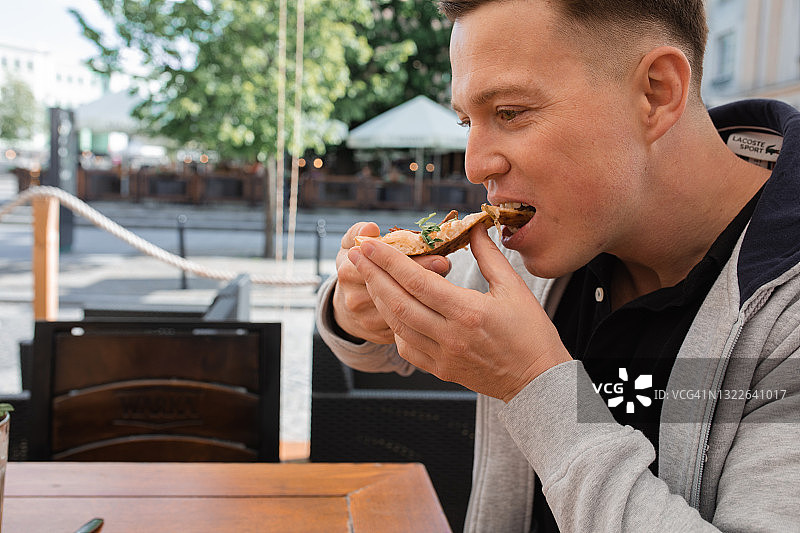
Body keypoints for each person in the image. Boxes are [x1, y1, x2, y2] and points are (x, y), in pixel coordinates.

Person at [316, 1, 800, 531]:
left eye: (510, 113)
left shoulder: (785, 313)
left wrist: (533, 384)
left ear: (656, 92)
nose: (476, 164)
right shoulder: (548, 237)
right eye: (467, 121)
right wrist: (355, 310)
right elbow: (381, 353)